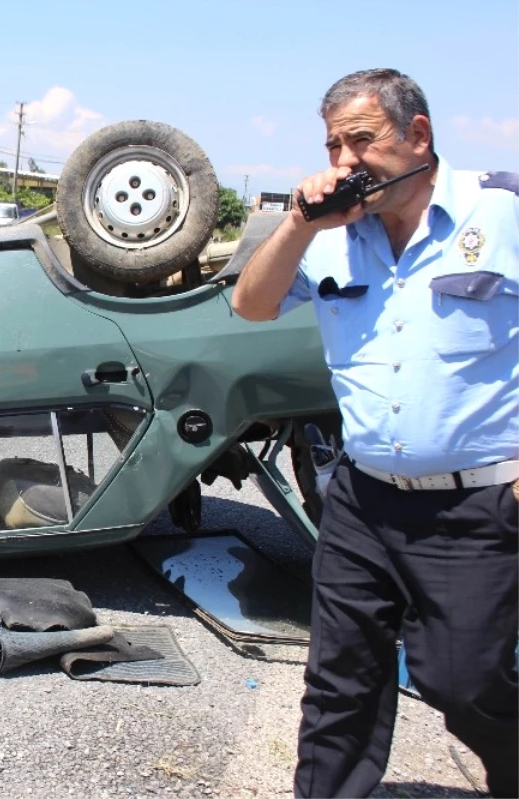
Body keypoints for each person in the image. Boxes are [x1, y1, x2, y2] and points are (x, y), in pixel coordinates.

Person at [232, 68, 519, 799]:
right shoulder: (331, 234)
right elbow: (251, 305)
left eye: (360, 140)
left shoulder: (502, 211)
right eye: (333, 145)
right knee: (339, 681)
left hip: (476, 506)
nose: (344, 161)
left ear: (417, 134)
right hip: (362, 500)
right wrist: (297, 223)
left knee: (465, 680)